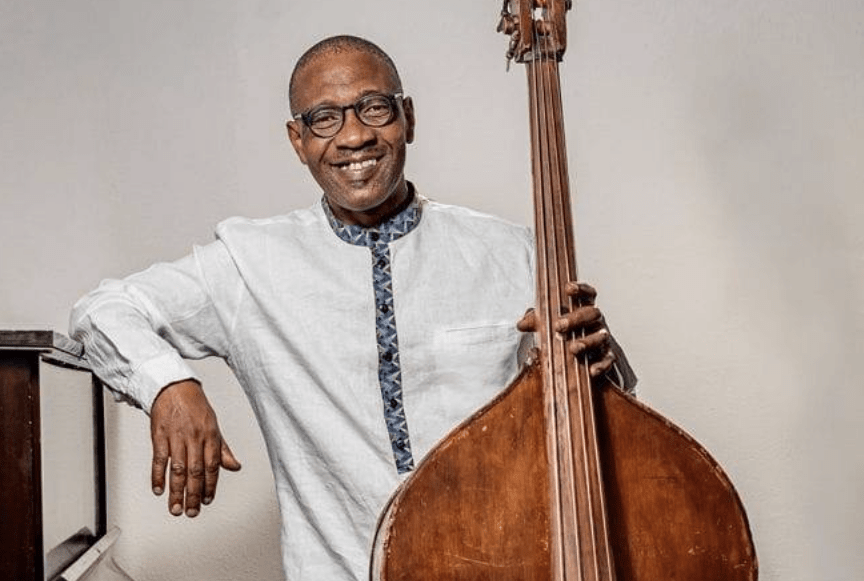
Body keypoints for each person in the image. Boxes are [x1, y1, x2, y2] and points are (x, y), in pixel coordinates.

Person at [70, 35, 636, 581]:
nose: (354, 136)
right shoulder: (250, 263)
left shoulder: (513, 252)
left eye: (374, 108)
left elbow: (606, 424)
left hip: (507, 566)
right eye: (325, 118)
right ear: (298, 140)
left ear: (407, 117)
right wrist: (169, 385)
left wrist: (601, 359)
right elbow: (102, 310)